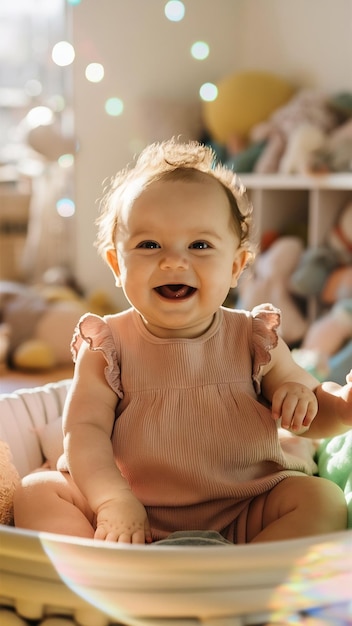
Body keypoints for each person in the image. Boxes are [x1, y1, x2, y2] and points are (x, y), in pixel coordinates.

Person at [14, 139, 352, 545]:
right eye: (149, 245)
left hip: (244, 508)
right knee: (35, 492)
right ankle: (105, 575)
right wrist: (112, 501)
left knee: (322, 499)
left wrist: (337, 406)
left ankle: (245, 577)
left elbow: (313, 418)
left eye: (200, 245)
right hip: (129, 513)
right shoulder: (107, 347)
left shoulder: (254, 339)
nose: (174, 261)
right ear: (117, 265)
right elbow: (83, 434)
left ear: (235, 267)